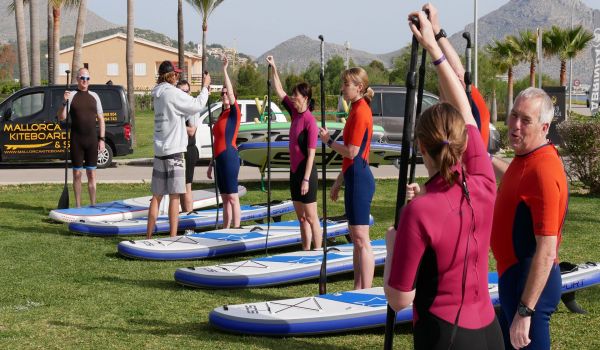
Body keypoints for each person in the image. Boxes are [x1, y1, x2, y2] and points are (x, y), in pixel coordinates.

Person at [383, 11, 503, 349]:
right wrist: (434, 45)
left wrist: (392, 247)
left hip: (444, 335)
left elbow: (400, 299)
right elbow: (466, 110)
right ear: (466, 142)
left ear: (421, 146)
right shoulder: (483, 181)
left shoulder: (419, 211)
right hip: (490, 334)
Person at [490, 87, 567, 350]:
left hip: (529, 288)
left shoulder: (543, 169)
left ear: (544, 127)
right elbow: (515, 177)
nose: (515, 125)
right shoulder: (527, 158)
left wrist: (525, 312)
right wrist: (485, 159)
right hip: (515, 281)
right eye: (513, 116)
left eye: (526, 120)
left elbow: (546, 250)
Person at [319, 67, 375, 290]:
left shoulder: (361, 111)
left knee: (361, 239)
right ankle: (357, 288)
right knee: (355, 238)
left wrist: (328, 141)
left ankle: (366, 291)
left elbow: (352, 151)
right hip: (353, 176)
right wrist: (339, 181)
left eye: (346, 84)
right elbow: (351, 157)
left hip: (360, 178)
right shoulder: (355, 109)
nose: (342, 88)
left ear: (358, 87)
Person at [146, 61, 209, 239]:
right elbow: (197, 105)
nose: (178, 77)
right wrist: (205, 87)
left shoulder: (157, 94)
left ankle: (148, 236)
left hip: (159, 152)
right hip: (174, 152)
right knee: (174, 197)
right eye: (176, 74)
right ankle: (173, 236)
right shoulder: (172, 93)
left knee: (156, 196)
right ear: (171, 75)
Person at [266, 55, 322, 250]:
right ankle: (306, 250)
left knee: (312, 217)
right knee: (301, 218)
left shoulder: (310, 121)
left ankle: (317, 251)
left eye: (296, 95)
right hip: (294, 173)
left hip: (307, 175)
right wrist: (274, 67)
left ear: (305, 98)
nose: (293, 98)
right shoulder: (294, 112)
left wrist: (306, 179)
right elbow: (278, 89)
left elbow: (312, 154)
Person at [424, 2, 491, 148]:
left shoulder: (473, 122)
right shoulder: (456, 128)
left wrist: (435, 33)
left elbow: (459, 75)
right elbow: (455, 75)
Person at [57, 68, 105, 208]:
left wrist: (101, 140)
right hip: (77, 141)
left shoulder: (94, 96)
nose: (85, 81)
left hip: (91, 141)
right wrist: (63, 102)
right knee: (77, 174)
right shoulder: (71, 95)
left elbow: (101, 119)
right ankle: (78, 206)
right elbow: (62, 117)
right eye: (82, 78)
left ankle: (93, 205)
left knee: (91, 174)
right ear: (77, 79)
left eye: (87, 78)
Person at [207, 56, 241, 229]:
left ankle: (236, 228)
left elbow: (231, 91)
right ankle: (226, 227)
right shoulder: (221, 115)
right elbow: (217, 140)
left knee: (233, 197)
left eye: (227, 92)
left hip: (229, 157)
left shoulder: (235, 112)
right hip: (219, 159)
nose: (225, 94)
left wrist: (224, 70)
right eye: (222, 93)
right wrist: (211, 163)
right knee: (225, 197)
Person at [176, 78, 210, 213]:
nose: (184, 94)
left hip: (189, 150)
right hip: (179, 149)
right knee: (179, 187)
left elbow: (192, 131)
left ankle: (188, 215)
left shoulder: (192, 108)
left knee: (187, 186)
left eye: (186, 91)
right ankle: (184, 214)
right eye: (181, 91)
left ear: (189, 92)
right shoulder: (178, 106)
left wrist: (176, 125)